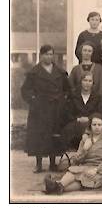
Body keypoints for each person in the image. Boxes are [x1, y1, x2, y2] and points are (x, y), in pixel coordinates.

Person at [21, 45, 71, 173]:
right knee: (39, 135)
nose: (49, 57)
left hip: (55, 109)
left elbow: (68, 89)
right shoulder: (34, 72)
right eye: (46, 54)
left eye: (51, 54)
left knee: (54, 134)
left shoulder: (60, 72)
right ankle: (38, 164)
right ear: (41, 56)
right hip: (40, 110)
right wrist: (34, 101)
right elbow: (25, 90)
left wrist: (62, 101)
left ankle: (53, 163)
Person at [44, 113, 102, 194]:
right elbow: (77, 160)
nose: (97, 127)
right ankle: (58, 187)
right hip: (85, 166)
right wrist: (85, 149)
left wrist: (96, 170)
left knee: (84, 179)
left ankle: (55, 187)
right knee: (75, 172)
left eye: (99, 125)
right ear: (90, 126)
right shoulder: (86, 139)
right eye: (94, 124)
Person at [62, 72, 102, 150]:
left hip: (92, 123)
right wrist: (78, 119)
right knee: (69, 129)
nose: (87, 83)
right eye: (85, 80)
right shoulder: (73, 95)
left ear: (93, 83)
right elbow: (67, 112)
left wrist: (89, 118)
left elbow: (99, 112)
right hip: (75, 122)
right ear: (81, 81)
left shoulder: (97, 97)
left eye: (90, 81)